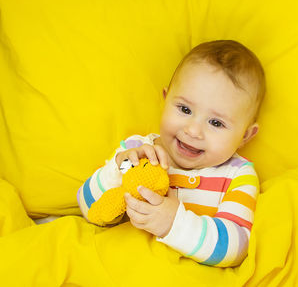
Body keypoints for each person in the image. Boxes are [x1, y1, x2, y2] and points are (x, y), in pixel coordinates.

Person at [77, 40, 266, 267]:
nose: (193, 130)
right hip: (118, 265)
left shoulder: (237, 175)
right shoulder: (137, 151)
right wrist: (120, 169)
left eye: (216, 123)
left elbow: (235, 247)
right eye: (185, 109)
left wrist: (174, 223)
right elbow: (88, 207)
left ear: (245, 136)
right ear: (166, 99)